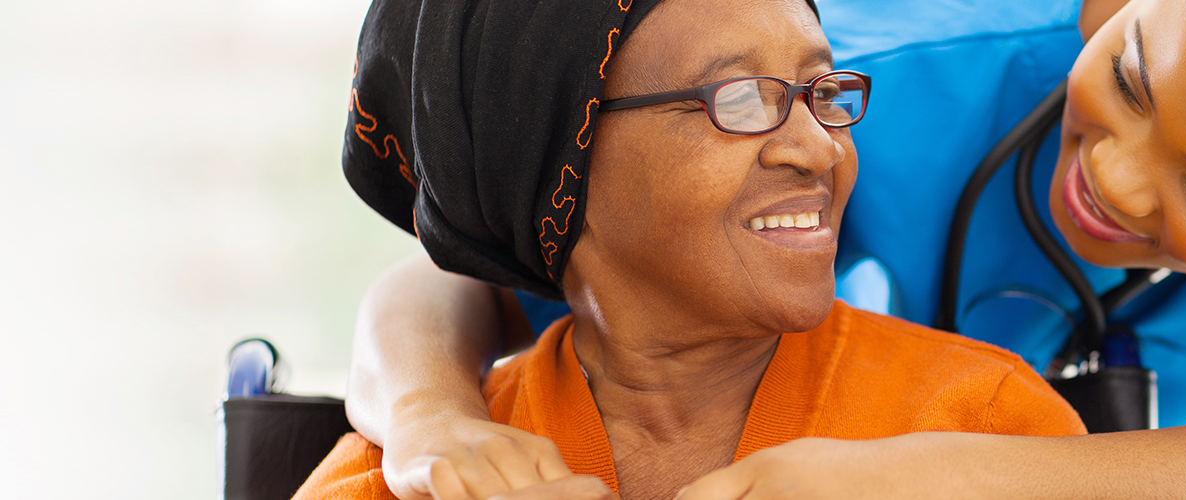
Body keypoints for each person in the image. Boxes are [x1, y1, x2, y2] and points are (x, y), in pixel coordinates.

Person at [349, 0, 1186, 498]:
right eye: (1128, 74)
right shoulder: (872, 81)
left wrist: (888, 480)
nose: (1114, 178)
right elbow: (461, 256)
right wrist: (430, 427)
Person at [298, 0, 1087, 499]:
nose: (819, 149)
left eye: (823, 92)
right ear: (555, 165)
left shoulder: (986, 429)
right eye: (739, 99)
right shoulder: (394, 483)